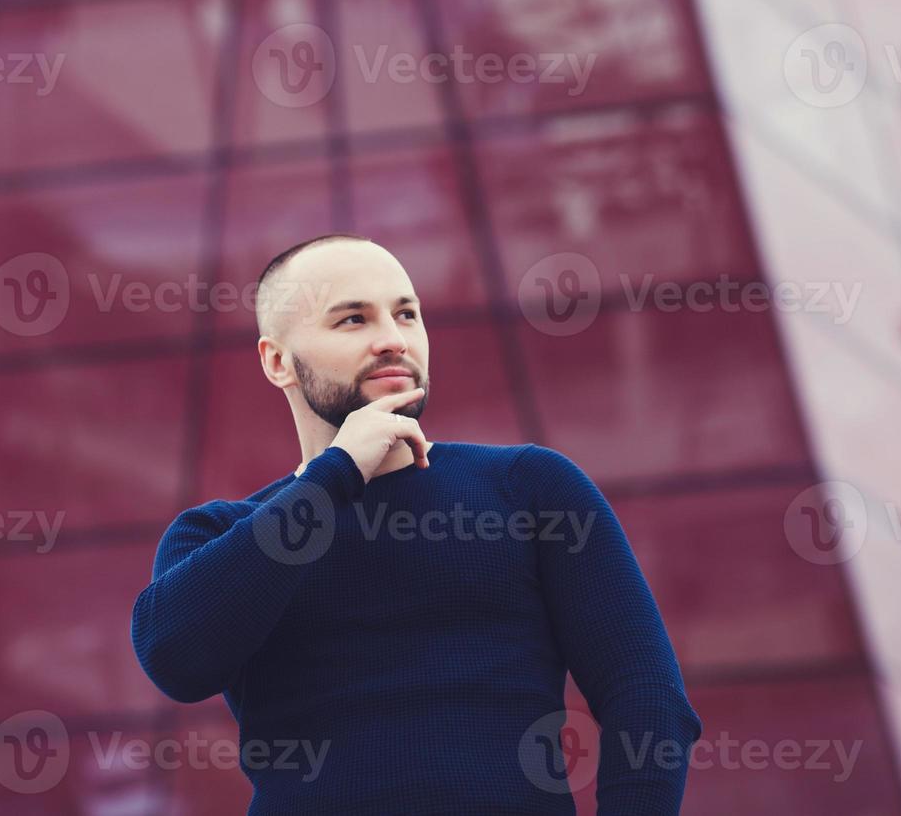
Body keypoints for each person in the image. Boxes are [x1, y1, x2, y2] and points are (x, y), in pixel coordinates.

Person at [131, 233, 702, 814]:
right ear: (278, 362)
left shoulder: (530, 488)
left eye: (407, 314)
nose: (392, 340)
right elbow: (177, 662)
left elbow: (647, 695)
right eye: (352, 320)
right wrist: (335, 476)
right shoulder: (221, 533)